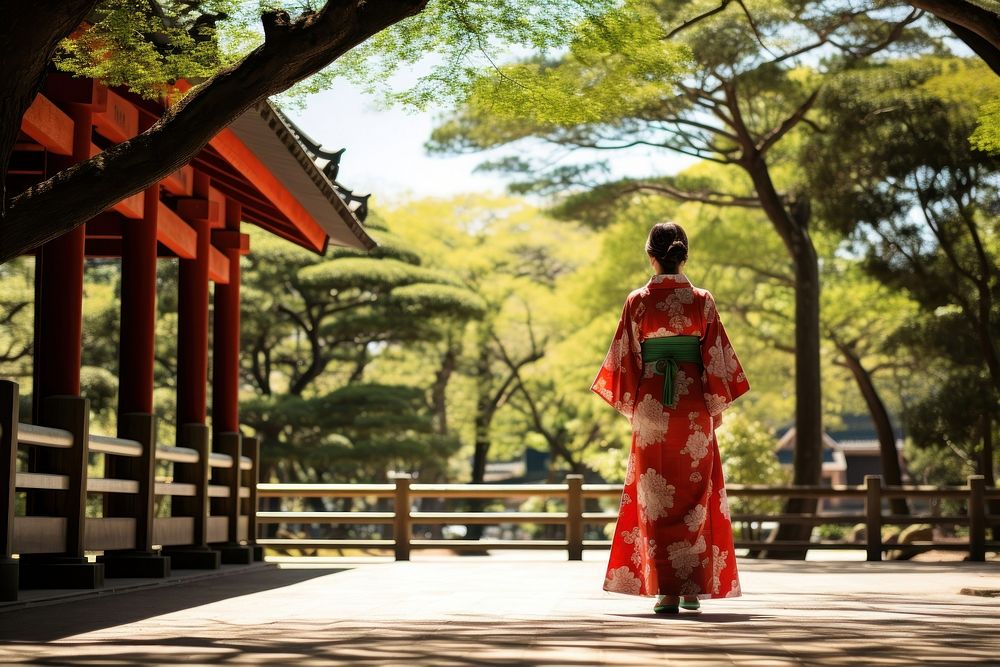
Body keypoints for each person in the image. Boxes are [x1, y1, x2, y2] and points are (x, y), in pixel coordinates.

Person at [591, 221, 750, 614]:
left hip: (652, 409)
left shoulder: (638, 300)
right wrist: (713, 405)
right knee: (695, 495)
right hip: (693, 407)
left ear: (650, 255)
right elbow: (717, 361)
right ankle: (692, 588)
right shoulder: (702, 300)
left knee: (654, 497)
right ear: (683, 256)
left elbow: (624, 361)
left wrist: (637, 403)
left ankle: (665, 592)